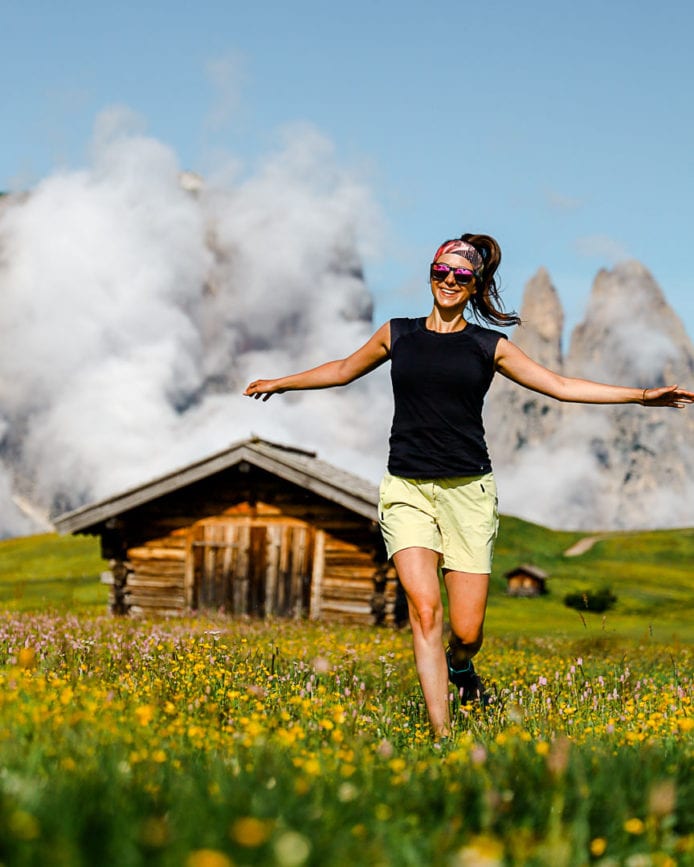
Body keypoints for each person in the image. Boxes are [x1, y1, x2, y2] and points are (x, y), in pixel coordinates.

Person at [244, 233, 693, 739]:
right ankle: (442, 736)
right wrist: (281, 382)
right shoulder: (398, 334)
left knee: (467, 631)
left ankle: (462, 669)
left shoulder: (488, 346)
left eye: (461, 275)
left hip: (469, 494)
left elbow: (561, 387)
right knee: (425, 612)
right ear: (431, 273)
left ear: (474, 284)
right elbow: (345, 369)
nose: (449, 281)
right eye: (442, 271)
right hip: (406, 489)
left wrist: (640, 396)